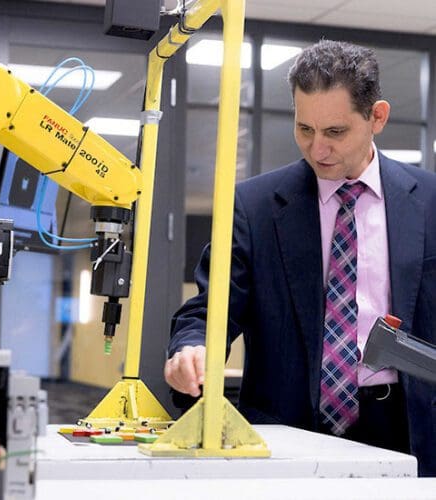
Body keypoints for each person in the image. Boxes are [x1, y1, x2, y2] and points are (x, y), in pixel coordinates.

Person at [164, 40, 436, 477]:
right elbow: (207, 310)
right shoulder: (255, 207)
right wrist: (190, 347)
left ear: (377, 117)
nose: (317, 149)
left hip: (404, 428)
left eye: (335, 132)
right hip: (286, 429)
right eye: (304, 129)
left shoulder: (429, 202)